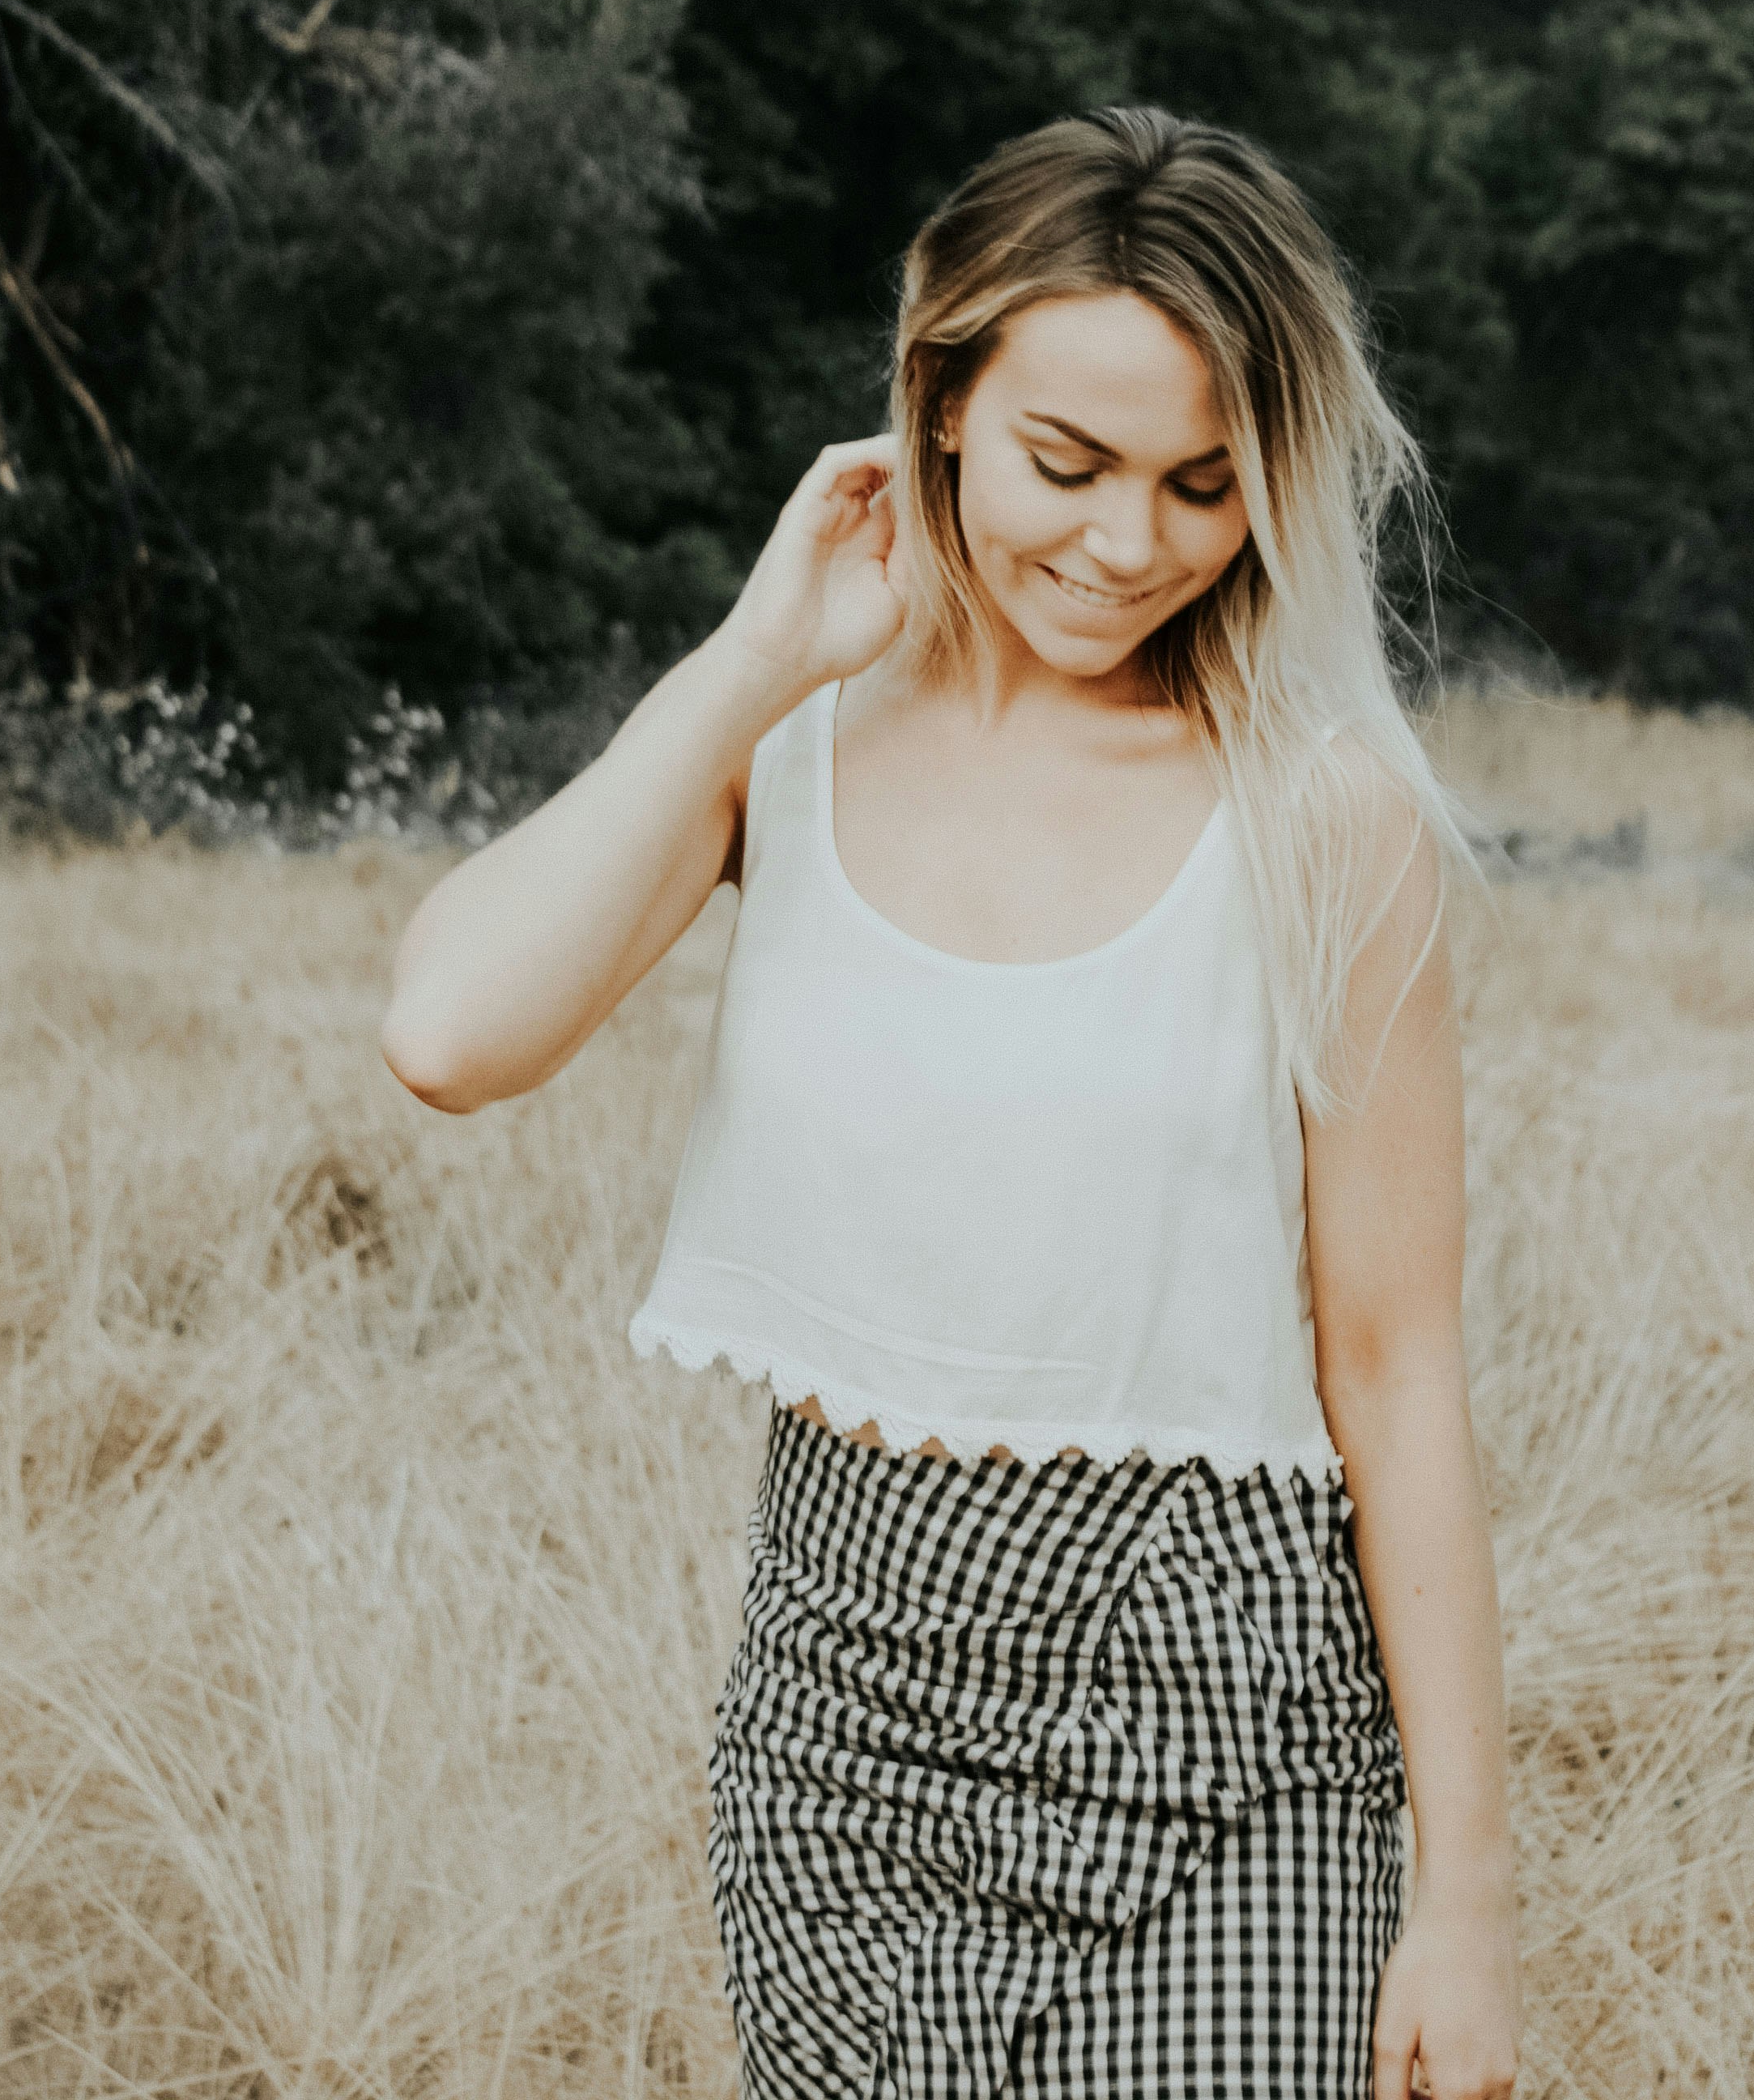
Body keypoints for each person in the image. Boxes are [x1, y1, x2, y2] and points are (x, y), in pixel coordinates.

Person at [381, 109, 1520, 2100]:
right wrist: (755, 656)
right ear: (937, 399)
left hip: (1225, 1725)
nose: (1125, 545)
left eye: (1201, 484)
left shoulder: (1325, 817)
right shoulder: (791, 746)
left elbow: (1396, 1361)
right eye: (1064, 464)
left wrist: (1468, 1899)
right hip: (838, 1720)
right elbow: (455, 1035)